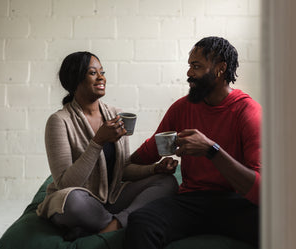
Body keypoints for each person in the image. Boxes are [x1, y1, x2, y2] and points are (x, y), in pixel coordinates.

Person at [124, 36, 261, 248]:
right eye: (189, 66)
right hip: (192, 200)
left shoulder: (247, 112)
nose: (189, 73)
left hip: (235, 201)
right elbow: (132, 164)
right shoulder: (182, 108)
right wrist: (155, 169)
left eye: (196, 66)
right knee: (142, 222)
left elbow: (261, 190)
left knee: (276, 225)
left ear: (220, 69)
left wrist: (211, 150)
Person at [36, 51, 178, 241]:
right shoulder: (59, 121)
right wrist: (97, 142)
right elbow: (66, 184)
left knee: (167, 182)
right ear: (75, 79)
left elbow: (123, 170)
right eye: (93, 73)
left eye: (102, 72)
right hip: (80, 203)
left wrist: (154, 168)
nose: (101, 77)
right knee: (72, 201)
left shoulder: (115, 115)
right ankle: (121, 224)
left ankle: (110, 226)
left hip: (111, 199)